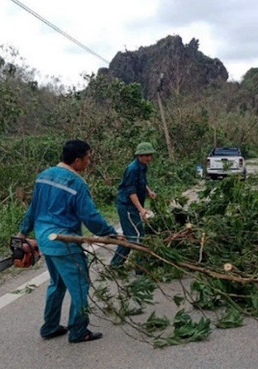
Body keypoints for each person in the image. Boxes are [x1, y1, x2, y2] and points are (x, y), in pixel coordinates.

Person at [18, 140, 118, 344]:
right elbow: (89, 215)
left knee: (57, 284)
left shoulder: (43, 176)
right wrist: (110, 234)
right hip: (64, 243)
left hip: (45, 240)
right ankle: (79, 331)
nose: (89, 162)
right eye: (88, 158)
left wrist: (23, 232)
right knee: (80, 285)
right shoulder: (76, 184)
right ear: (77, 160)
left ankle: (50, 326)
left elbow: (33, 209)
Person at [110, 142, 157, 271]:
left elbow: (142, 182)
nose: (149, 158)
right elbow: (131, 191)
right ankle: (139, 267)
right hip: (127, 207)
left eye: (150, 155)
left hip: (133, 207)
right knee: (137, 236)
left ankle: (115, 265)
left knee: (130, 236)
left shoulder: (143, 167)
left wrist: (149, 191)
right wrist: (141, 209)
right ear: (139, 155)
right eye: (146, 155)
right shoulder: (132, 169)